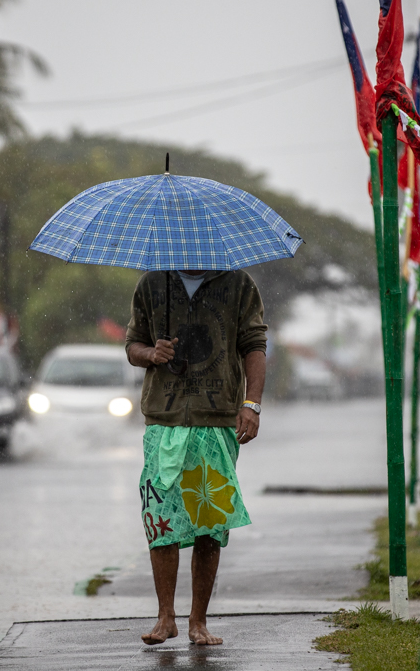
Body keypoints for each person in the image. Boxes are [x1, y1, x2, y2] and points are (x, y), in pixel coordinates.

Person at [125, 268, 267, 646]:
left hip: (216, 420)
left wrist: (251, 404)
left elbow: (254, 345)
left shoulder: (238, 284)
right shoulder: (152, 284)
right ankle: (165, 617)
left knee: (210, 523)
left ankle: (198, 621)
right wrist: (151, 353)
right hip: (164, 421)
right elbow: (132, 346)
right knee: (161, 521)